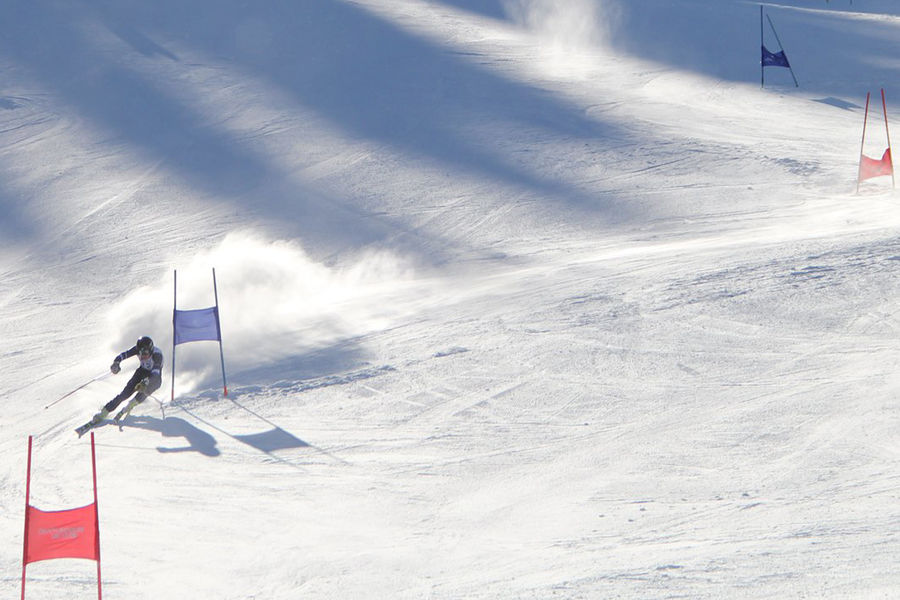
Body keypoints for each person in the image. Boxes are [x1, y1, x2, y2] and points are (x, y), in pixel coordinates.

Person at [90, 336, 164, 424]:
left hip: (153, 376)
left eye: (145, 353)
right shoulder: (138, 349)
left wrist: (146, 382)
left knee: (147, 389)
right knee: (124, 394)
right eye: (140, 353)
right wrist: (116, 363)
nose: (142, 356)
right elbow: (123, 355)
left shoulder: (157, 355)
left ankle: (133, 403)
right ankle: (104, 412)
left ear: (151, 350)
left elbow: (156, 374)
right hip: (142, 371)